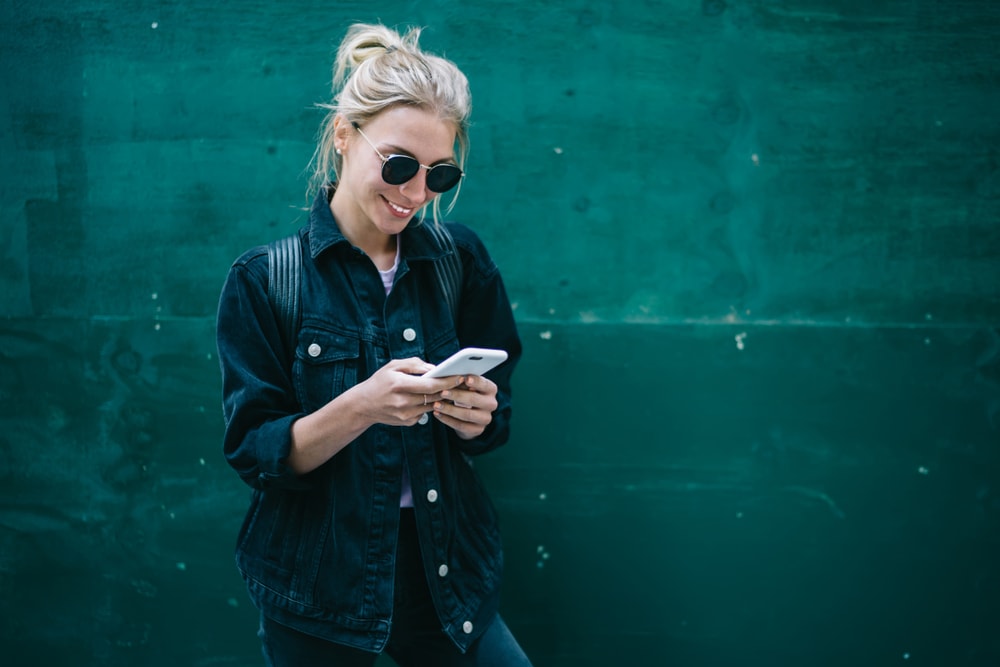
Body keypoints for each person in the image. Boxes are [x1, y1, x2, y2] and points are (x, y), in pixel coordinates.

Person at [215, 22, 531, 667]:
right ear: (341, 138)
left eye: (438, 175)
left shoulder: (458, 259)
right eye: (397, 165)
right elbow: (256, 453)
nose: (414, 193)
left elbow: (498, 419)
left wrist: (479, 418)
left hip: (446, 572)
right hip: (317, 583)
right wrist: (362, 405)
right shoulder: (265, 280)